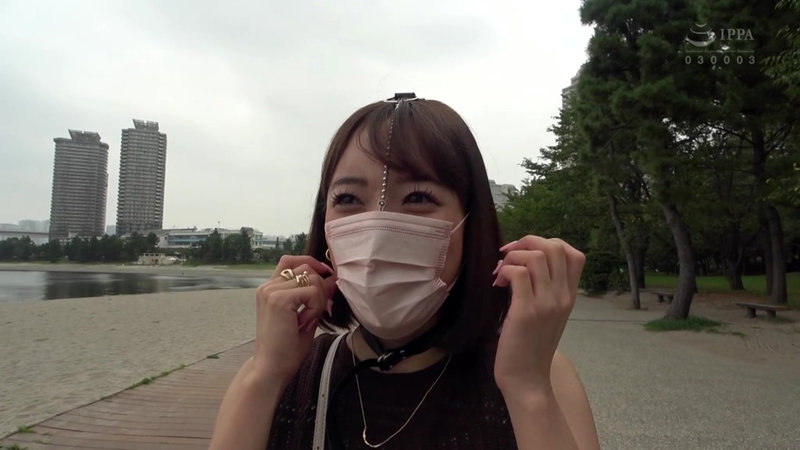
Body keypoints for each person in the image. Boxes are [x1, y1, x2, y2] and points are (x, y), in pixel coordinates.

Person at [210, 94, 600, 449]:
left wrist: (528, 390)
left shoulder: (540, 375)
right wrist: (265, 375)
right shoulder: (281, 374)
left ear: (471, 226)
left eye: (417, 197)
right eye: (348, 198)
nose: (377, 231)